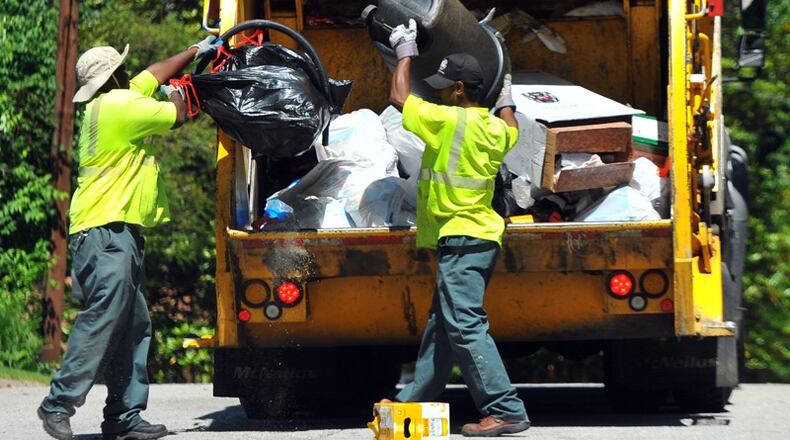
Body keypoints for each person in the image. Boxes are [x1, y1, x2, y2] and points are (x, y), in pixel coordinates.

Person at [37, 36, 221, 440]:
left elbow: (152, 75)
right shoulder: (119, 106)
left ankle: (123, 417)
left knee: (133, 326)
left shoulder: (106, 104)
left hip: (114, 232)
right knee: (105, 315)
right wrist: (205, 81)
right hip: (106, 232)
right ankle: (58, 403)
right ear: (115, 74)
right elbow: (178, 111)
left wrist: (193, 50)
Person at [386, 20, 530, 437]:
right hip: (480, 237)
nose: (444, 91)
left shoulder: (448, 121)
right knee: (444, 322)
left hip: (462, 236)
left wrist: (404, 51)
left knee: (464, 323)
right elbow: (513, 128)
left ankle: (505, 408)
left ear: (461, 90)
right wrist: (506, 99)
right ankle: (413, 400)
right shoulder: (496, 130)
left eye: (449, 86)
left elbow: (398, 96)